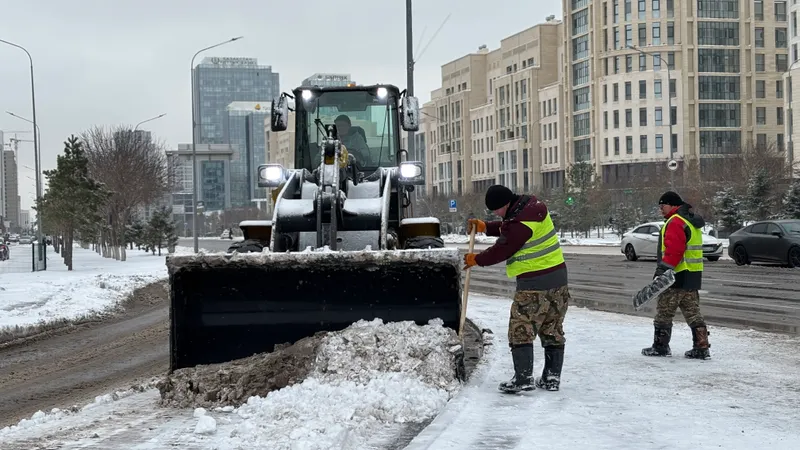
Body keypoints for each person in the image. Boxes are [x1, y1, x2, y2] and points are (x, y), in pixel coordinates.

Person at [463, 185, 570, 393]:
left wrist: (476, 259)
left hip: (534, 283)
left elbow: (504, 247)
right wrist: (486, 226)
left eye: (496, 210)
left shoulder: (520, 223)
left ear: (505, 204)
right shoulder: (530, 208)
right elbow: (509, 227)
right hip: (558, 280)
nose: (496, 214)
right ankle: (551, 378)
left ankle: (523, 379)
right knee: (552, 328)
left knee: (520, 328)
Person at [641, 191, 711, 360]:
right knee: (693, 313)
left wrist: (661, 271)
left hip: (675, 276)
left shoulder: (675, 222)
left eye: (662, 206)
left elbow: (674, 251)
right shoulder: (690, 221)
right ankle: (702, 348)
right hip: (692, 276)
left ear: (673, 205)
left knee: (664, 312)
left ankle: (660, 346)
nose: (660, 210)